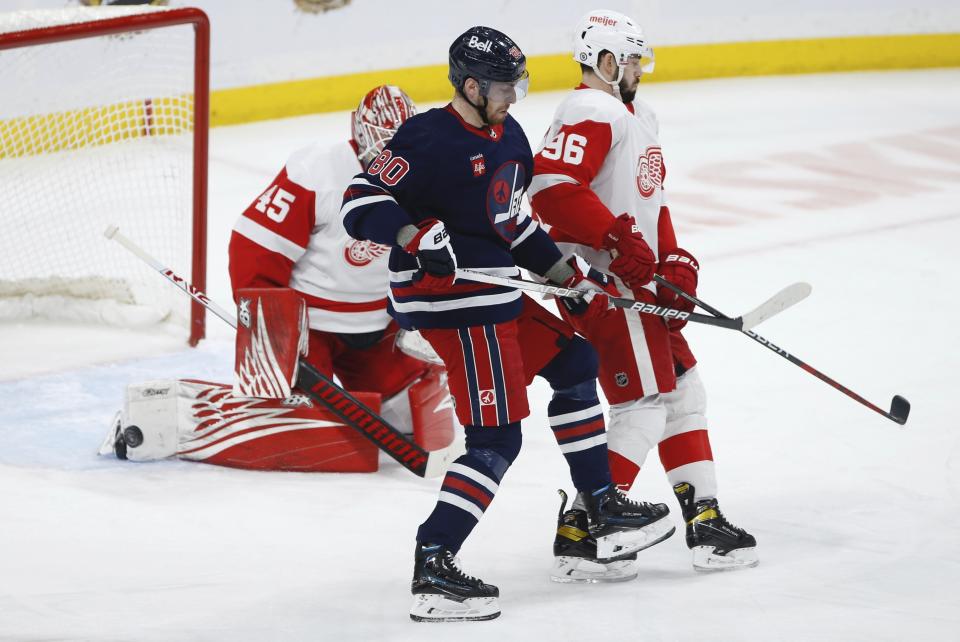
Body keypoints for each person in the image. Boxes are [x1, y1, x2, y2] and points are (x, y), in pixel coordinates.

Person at [341, 27, 674, 622]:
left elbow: (514, 226)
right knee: (497, 440)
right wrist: (414, 235)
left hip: (490, 289)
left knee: (576, 363)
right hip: (449, 299)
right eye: (503, 86)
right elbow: (358, 201)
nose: (514, 96)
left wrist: (565, 275)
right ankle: (435, 563)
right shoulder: (425, 138)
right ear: (470, 85)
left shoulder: (510, 137)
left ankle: (599, 502)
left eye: (518, 84)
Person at [530, 9, 758, 577]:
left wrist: (675, 262)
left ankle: (704, 522)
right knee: (645, 403)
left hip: (637, 278)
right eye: (630, 59)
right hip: (604, 284)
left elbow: (647, 200)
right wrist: (616, 241)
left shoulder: (637, 113)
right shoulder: (589, 109)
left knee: (683, 389)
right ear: (605, 62)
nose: (637, 68)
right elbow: (551, 188)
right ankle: (586, 530)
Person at [228, 85, 454, 454]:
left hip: (381, 330)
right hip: (309, 329)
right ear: (360, 133)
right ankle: (274, 407)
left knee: (416, 420)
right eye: (381, 143)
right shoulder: (317, 169)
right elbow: (255, 244)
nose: (388, 156)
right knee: (303, 432)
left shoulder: (428, 179)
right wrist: (266, 325)